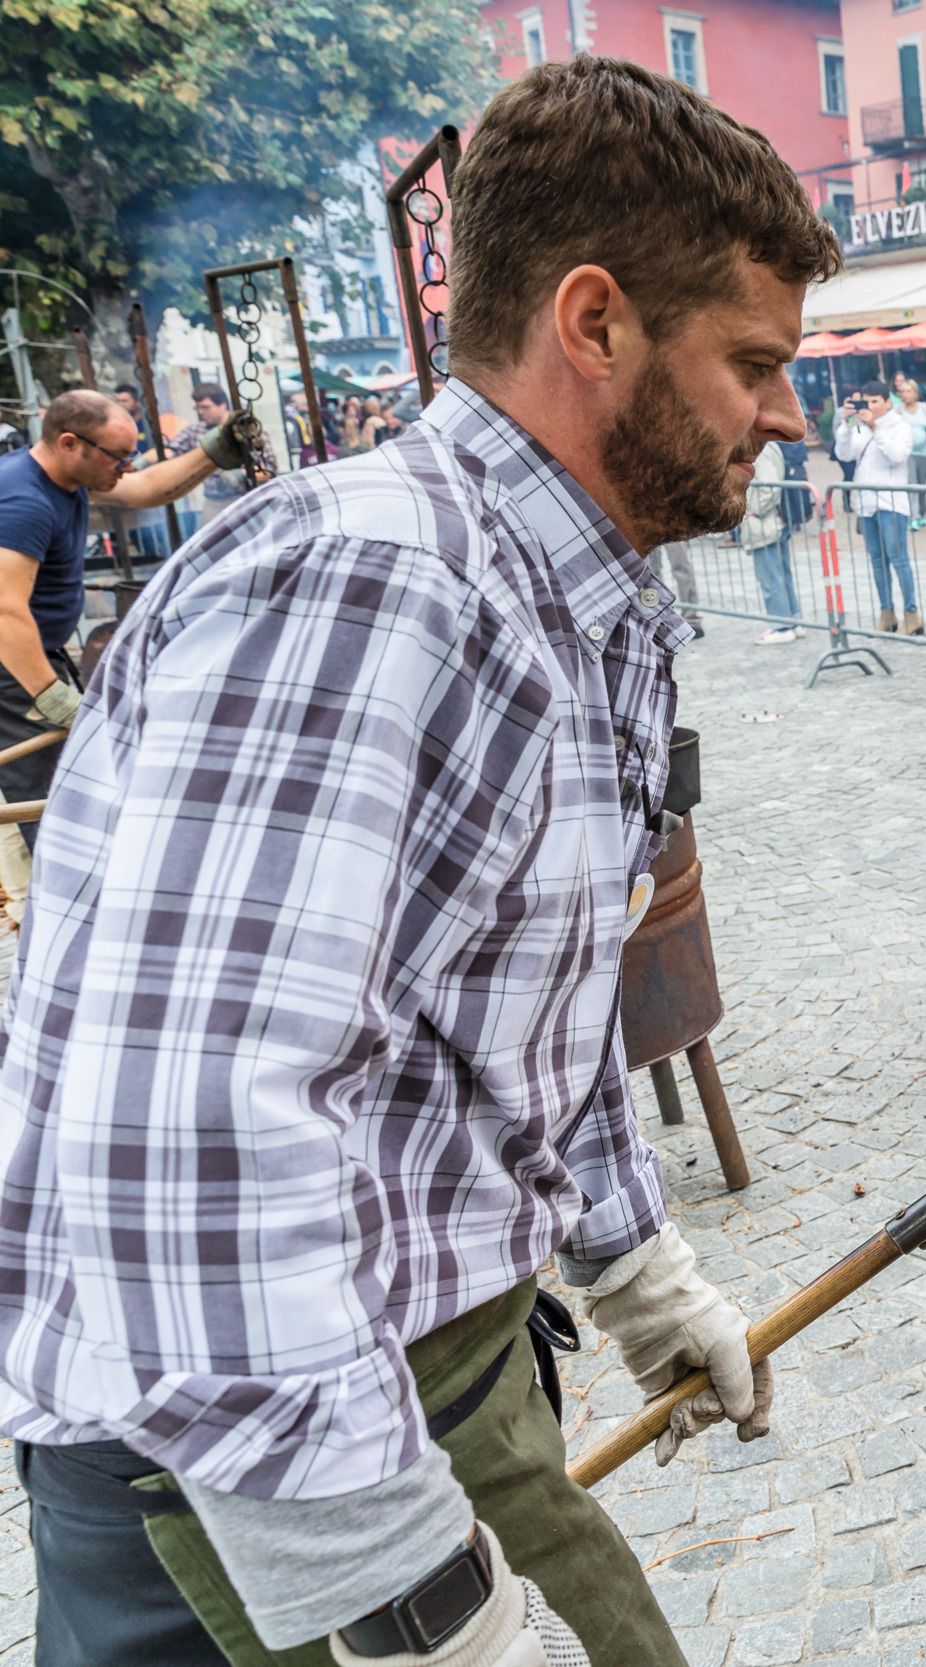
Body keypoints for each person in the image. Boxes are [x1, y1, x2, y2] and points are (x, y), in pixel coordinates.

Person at [0, 55, 837, 1667]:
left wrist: (633, 1255)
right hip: (240, 1477)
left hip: (426, 1369)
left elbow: (516, 999)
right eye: (752, 360)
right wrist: (411, 1602)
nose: (786, 410)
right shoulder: (381, 586)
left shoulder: (577, 592)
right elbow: (185, 1148)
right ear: (594, 324)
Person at [0, 388, 246, 840]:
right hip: (9, 663)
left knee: (57, 786)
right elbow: (4, 611)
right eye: (117, 456)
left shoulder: (66, 479)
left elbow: (147, 488)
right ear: (69, 443)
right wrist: (48, 694)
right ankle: (56, 899)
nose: (127, 466)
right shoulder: (24, 502)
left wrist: (214, 451)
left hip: (28, 654)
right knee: (50, 798)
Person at [834, 385, 922, 636]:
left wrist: (875, 428)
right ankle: (886, 612)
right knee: (877, 561)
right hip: (867, 503)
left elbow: (896, 456)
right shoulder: (860, 426)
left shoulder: (900, 426)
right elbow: (844, 454)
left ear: (887, 403)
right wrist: (845, 425)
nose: (869, 407)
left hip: (891, 502)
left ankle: (912, 613)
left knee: (899, 559)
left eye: (874, 401)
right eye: (866, 402)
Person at [165, 383, 270, 534]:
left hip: (246, 498)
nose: (201, 412)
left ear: (222, 404)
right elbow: (171, 450)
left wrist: (240, 475)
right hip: (214, 503)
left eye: (206, 407)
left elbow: (269, 470)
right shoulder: (195, 431)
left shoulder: (247, 431)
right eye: (198, 408)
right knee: (204, 543)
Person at [739, 421, 802, 644]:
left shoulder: (760, 449)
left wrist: (754, 510)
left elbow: (768, 485)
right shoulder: (769, 444)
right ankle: (792, 618)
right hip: (773, 518)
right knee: (781, 572)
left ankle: (781, 624)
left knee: (770, 574)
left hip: (764, 521)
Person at [896, 375, 926, 528]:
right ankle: (914, 516)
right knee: (912, 485)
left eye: (909, 391)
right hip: (908, 453)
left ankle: (923, 513)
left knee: (923, 484)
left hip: (925, 452)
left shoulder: (924, 409)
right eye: (903, 391)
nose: (906, 394)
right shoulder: (898, 410)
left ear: (915, 393)